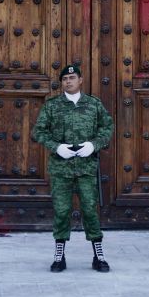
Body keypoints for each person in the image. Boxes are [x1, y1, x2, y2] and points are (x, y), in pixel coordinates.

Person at [32, 64, 114, 273]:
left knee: (90, 210)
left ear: (80, 80)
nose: (68, 81)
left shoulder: (93, 105)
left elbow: (107, 127)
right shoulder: (52, 106)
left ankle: (99, 255)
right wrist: (57, 147)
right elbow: (38, 132)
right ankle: (59, 255)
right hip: (61, 169)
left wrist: (93, 145)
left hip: (86, 168)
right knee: (61, 211)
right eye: (65, 79)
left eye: (72, 77)